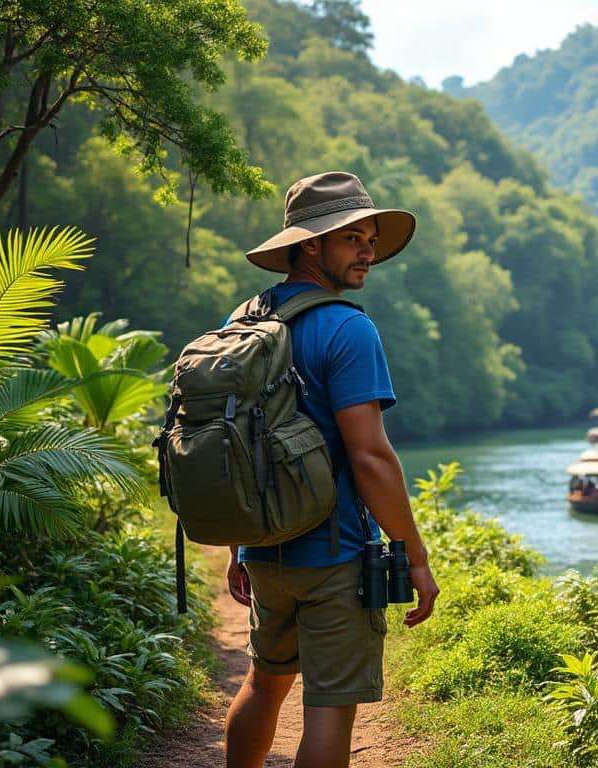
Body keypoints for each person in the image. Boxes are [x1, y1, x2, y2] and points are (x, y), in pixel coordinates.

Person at [224, 171, 440, 768]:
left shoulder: (243, 321)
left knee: (263, 683)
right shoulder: (348, 328)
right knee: (329, 710)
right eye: (352, 239)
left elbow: (236, 444)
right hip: (334, 551)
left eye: (371, 240)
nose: (368, 252)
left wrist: (239, 546)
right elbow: (370, 456)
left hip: (264, 550)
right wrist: (415, 556)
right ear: (311, 245)